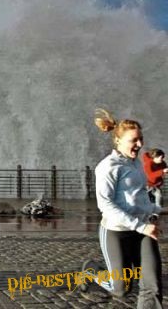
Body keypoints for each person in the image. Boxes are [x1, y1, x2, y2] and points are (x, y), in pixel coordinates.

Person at [81, 109, 162, 308]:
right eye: (134, 140)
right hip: (117, 232)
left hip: (142, 230)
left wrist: (156, 209)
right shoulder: (107, 167)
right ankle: (91, 271)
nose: (140, 145)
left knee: (152, 285)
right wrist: (141, 226)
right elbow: (105, 205)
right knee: (121, 288)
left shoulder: (136, 164)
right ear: (118, 140)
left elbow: (139, 197)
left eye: (141, 139)